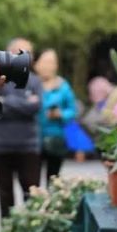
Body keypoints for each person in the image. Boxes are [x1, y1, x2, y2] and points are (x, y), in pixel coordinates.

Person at [0, 37, 43, 219]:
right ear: (9, 54)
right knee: (5, 196)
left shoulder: (35, 81)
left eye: (29, 52)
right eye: (21, 52)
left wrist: (6, 102)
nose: (26, 56)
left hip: (28, 146)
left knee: (32, 196)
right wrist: (23, 103)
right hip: (0, 146)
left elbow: (36, 107)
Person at [35, 48, 77, 185]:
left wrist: (61, 114)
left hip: (56, 139)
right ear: (37, 64)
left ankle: (51, 204)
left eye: (52, 62)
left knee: (53, 178)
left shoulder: (63, 86)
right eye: (45, 62)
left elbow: (72, 110)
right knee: (31, 179)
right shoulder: (32, 84)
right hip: (33, 139)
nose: (48, 66)